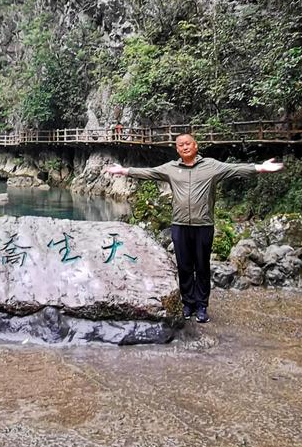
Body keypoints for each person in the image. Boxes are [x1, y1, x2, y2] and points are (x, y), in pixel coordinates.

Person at [106, 134, 284, 323]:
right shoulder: (171, 168)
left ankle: (202, 306)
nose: (184, 147)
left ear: (195, 146)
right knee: (184, 266)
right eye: (180, 145)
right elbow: (149, 172)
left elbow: (235, 169)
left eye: (188, 144)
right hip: (180, 225)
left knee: (202, 266)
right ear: (177, 149)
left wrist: (261, 168)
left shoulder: (211, 166)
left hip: (203, 225)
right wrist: (124, 171)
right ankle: (188, 304)